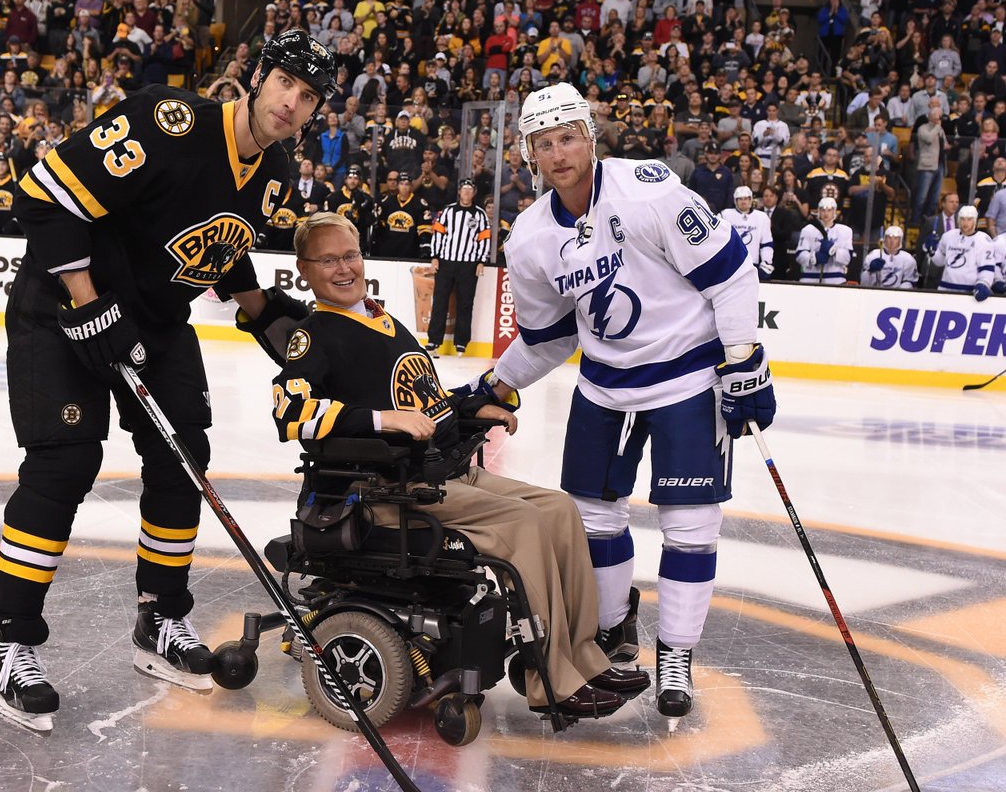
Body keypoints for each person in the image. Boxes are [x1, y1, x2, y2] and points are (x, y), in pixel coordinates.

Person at [0, 29, 337, 732]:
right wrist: (88, 303)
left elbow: (221, 247)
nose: (291, 103)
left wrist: (265, 313)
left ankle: (161, 619)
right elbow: (44, 197)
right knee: (64, 464)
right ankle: (9, 640)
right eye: (284, 83)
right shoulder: (165, 121)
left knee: (184, 459)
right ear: (257, 76)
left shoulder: (274, 174)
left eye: (307, 96)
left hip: (154, 319)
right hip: (61, 305)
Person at [473, 83, 774, 727]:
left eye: (568, 137)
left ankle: (676, 654)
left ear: (590, 136)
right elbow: (549, 338)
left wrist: (743, 356)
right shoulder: (529, 237)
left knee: (690, 524)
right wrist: (495, 384)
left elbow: (729, 272)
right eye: (544, 144)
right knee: (591, 520)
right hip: (603, 388)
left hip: (687, 378)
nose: (559, 153)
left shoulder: (646, 189)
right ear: (529, 154)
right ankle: (612, 629)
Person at [272, 211, 650, 719]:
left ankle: (583, 657)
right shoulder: (315, 335)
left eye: (350, 255)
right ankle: (551, 680)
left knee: (560, 510)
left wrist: (472, 407)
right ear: (303, 269)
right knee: (525, 524)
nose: (344, 268)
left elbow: (423, 398)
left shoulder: (382, 320)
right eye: (327, 260)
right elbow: (292, 412)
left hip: (442, 472)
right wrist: (384, 420)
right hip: (389, 489)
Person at [424, 179, 492, 358]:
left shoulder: (480, 214)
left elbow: (484, 238)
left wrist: (481, 260)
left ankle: (461, 343)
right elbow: (438, 234)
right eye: (464, 189)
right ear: (459, 192)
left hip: (469, 264)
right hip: (446, 262)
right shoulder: (448, 211)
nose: (467, 192)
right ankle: (434, 341)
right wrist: (435, 257)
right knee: (440, 301)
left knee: (465, 303)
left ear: (474, 193)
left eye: (470, 189)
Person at [932, 206, 997, 300]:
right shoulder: (948, 236)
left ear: (975, 220)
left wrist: (984, 283)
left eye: (969, 219)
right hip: (944, 289)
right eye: (962, 219)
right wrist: (932, 251)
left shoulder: (983, 240)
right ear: (958, 220)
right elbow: (939, 262)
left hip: (969, 293)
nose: (965, 223)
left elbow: (987, 268)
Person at [795, 197, 853, 284]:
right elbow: (799, 255)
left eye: (829, 210)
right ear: (819, 211)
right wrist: (813, 257)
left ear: (834, 211)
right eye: (823, 210)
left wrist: (833, 250)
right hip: (810, 279)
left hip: (835, 280)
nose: (826, 213)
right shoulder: (808, 229)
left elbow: (847, 258)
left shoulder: (845, 230)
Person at [720, 186, 774, 279]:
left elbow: (766, 244)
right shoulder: (725, 215)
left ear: (751, 199)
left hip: (752, 263)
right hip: (731, 264)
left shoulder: (762, 217)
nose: (743, 201)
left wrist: (766, 262)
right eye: (740, 199)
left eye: (746, 198)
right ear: (735, 201)